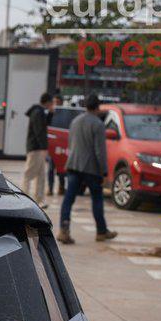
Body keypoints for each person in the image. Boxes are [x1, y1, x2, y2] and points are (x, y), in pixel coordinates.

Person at [58, 93, 117, 244]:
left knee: (68, 199)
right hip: (91, 169)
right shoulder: (98, 124)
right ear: (97, 107)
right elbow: (100, 151)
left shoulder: (75, 121)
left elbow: (71, 143)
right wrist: (104, 171)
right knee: (97, 199)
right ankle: (101, 232)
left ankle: (64, 230)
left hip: (73, 165)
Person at [21, 92, 53, 208]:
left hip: (38, 147)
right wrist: (44, 147)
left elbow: (45, 125)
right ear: (48, 102)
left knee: (41, 174)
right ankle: (23, 197)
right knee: (29, 173)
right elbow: (39, 131)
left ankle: (39, 200)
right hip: (36, 148)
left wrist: (50, 114)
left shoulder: (40, 112)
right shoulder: (37, 112)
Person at [47, 93, 66, 195]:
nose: (56, 104)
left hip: (61, 145)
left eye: (58, 102)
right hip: (52, 145)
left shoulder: (65, 114)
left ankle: (61, 187)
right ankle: (50, 188)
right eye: (54, 102)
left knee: (61, 168)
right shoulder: (50, 114)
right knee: (51, 168)